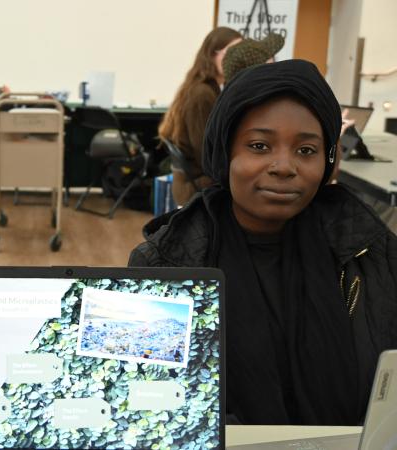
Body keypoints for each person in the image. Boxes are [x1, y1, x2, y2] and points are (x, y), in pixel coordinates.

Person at [130, 60, 397, 425]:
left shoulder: (373, 253)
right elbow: (147, 405)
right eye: (259, 145)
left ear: (329, 161)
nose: (284, 166)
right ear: (225, 154)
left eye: (306, 150)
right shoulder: (164, 265)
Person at [158, 27, 242, 206]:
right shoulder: (202, 94)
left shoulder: (210, 88)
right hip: (194, 185)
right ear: (212, 54)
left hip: (197, 179)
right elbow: (206, 154)